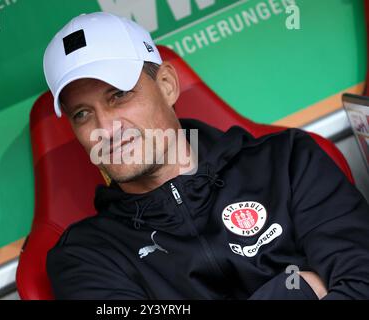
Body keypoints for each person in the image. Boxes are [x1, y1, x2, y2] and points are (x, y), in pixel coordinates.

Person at [43, 12, 369, 299]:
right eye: (82, 114)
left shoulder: (287, 162)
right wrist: (297, 291)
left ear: (168, 85)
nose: (106, 128)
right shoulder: (85, 257)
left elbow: (362, 283)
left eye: (118, 95)